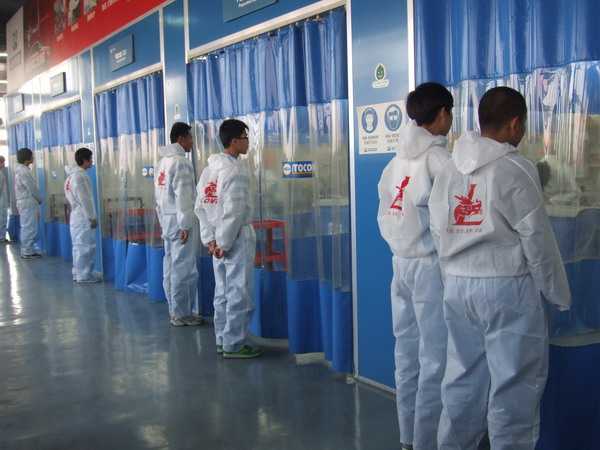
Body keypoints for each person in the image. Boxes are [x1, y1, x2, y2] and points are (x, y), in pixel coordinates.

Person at [429, 86, 571, 450]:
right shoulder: (515, 168)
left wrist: (450, 276)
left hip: (458, 285)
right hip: (506, 288)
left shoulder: (450, 169)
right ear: (514, 124)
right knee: (514, 386)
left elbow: (437, 228)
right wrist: (557, 293)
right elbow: (537, 239)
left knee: (462, 377)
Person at [377, 82, 453, 450]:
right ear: (442, 114)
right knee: (435, 358)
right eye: (450, 113)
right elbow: (448, 224)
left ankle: (408, 436)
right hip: (429, 268)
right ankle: (428, 440)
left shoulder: (395, 163)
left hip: (401, 265)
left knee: (406, 354)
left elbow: (384, 215)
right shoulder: (438, 161)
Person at [195, 119, 261, 359]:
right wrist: (223, 243)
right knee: (238, 291)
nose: (248, 142)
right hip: (235, 239)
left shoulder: (209, 171)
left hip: (217, 240)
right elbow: (234, 213)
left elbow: (200, 207)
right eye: (245, 137)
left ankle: (222, 339)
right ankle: (235, 343)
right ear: (234, 141)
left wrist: (210, 240)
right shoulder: (236, 171)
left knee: (222, 291)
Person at [155, 122, 202, 327]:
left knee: (170, 265)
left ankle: (174, 310)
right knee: (184, 267)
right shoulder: (181, 163)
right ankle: (182, 313)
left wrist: (164, 221)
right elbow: (184, 197)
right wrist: (185, 225)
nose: (192, 142)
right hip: (180, 222)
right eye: (190, 138)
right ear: (181, 139)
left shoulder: (163, 162)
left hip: (167, 221)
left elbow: (159, 197)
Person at [65, 147, 100, 283]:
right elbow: (85, 199)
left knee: (78, 246)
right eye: (91, 159)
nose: (92, 161)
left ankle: (78, 272)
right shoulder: (80, 177)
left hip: (76, 215)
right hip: (83, 216)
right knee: (85, 246)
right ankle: (84, 275)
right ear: (85, 160)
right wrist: (92, 217)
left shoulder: (70, 177)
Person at [14, 148, 42, 259]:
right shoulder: (24, 172)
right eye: (31, 156)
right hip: (27, 202)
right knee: (29, 227)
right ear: (27, 158)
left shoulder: (21, 170)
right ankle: (26, 251)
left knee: (27, 226)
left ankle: (28, 250)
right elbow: (32, 188)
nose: (33, 157)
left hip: (24, 202)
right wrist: (39, 199)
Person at [0, 156, 9, 243]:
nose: (4, 164)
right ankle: (1, 237)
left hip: (2, 200)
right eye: (2, 162)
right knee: (2, 219)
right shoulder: (0, 174)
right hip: (1, 202)